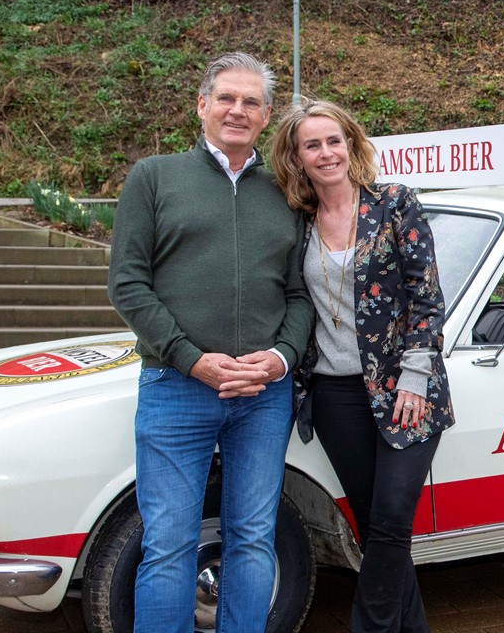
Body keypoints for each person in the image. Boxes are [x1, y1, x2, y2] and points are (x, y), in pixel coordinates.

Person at [109, 52, 314, 632]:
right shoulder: (154, 177)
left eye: (251, 102)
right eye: (226, 97)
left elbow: (300, 294)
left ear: (267, 114)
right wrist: (190, 358)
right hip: (176, 388)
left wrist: (280, 360)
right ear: (202, 105)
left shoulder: (285, 193)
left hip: (263, 396)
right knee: (169, 544)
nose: (237, 110)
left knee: (253, 538)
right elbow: (127, 283)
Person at [269, 98, 454, 633]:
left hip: (406, 388)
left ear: (351, 143)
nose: (326, 152)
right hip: (333, 394)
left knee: (394, 519)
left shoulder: (394, 203)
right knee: (376, 531)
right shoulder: (297, 222)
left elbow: (427, 296)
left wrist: (416, 377)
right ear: (297, 157)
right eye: (312, 145)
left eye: (335, 140)